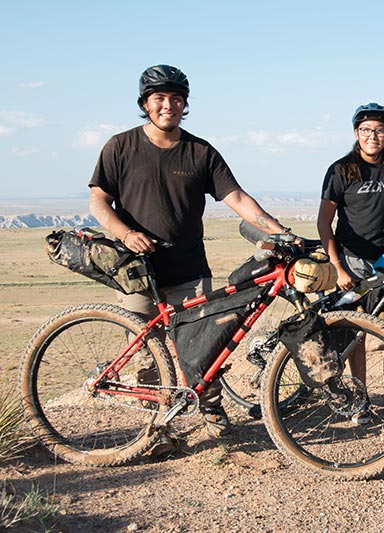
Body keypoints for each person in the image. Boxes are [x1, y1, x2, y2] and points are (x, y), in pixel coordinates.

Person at [88, 64, 290, 448]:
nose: (168, 105)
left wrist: (278, 231)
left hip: (189, 268)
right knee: (150, 355)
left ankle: (213, 414)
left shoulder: (200, 151)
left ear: (185, 104)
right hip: (136, 270)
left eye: (176, 98)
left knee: (204, 346)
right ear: (145, 103)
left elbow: (237, 198)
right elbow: (99, 200)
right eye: (159, 98)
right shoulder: (120, 146)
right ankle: (156, 432)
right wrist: (126, 234)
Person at [317, 102, 384, 425]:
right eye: (366, 130)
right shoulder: (341, 169)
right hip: (354, 260)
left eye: (380, 130)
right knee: (358, 333)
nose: (373, 136)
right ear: (356, 133)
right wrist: (338, 267)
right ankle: (360, 399)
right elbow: (324, 222)